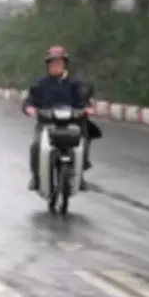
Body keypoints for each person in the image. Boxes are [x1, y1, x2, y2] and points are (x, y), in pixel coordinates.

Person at [22, 46, 91, 191]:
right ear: (48, 65)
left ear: (64, 64)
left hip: (71, 124)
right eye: (53, 62)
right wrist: (29, 108)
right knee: (36, 146)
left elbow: (84, 101)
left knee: (83, 141)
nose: (56, 65)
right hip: (47, 124)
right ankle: (36, 177)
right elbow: (29, 101)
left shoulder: (75, 84)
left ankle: (80, 176)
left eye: (59, 62)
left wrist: (87, 108)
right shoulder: (40, 84)